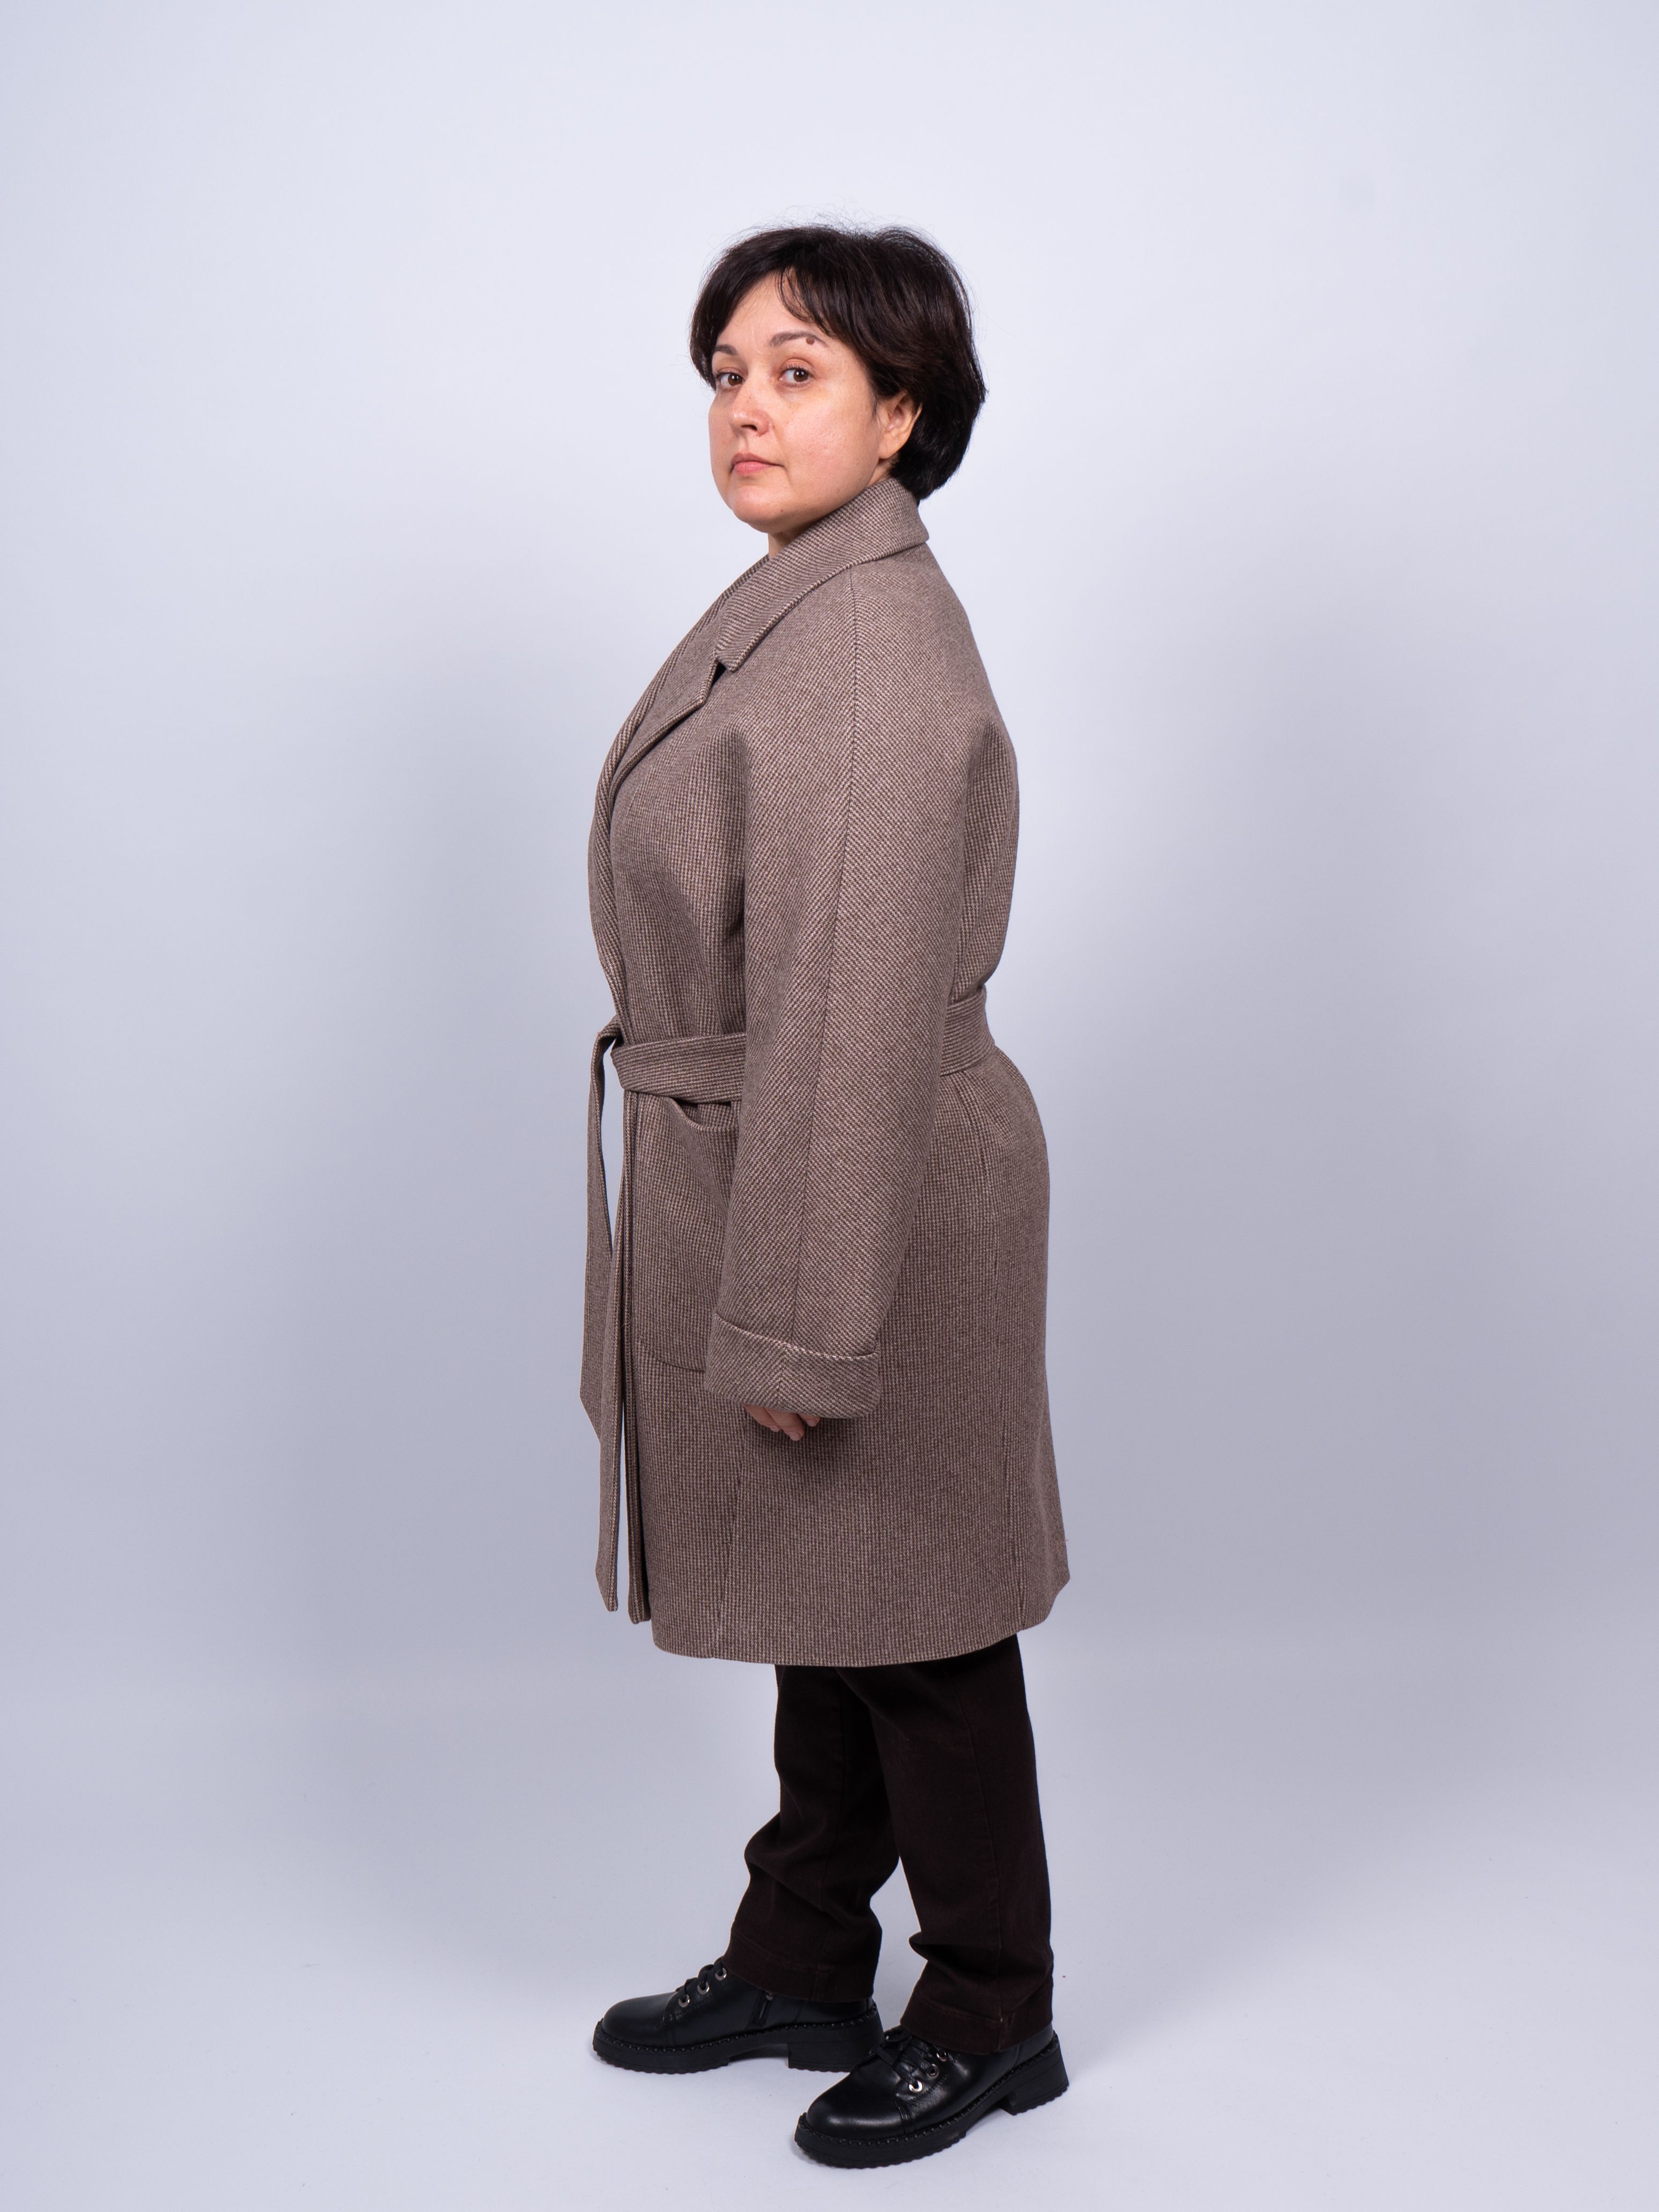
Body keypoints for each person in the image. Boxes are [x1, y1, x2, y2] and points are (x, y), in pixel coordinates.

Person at [581, 224, 1069, 2170]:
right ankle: (802, 1954)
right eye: (726, 371)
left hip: (856, 1175)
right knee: (831, 1591)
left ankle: (994, 2004)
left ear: (900, 411)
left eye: (797, 371)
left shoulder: (868, 645)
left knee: (920, 1617)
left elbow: (853, 1009)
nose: (745, 407)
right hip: (785, 1160)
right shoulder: (803, 593)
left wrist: (798, 1315)